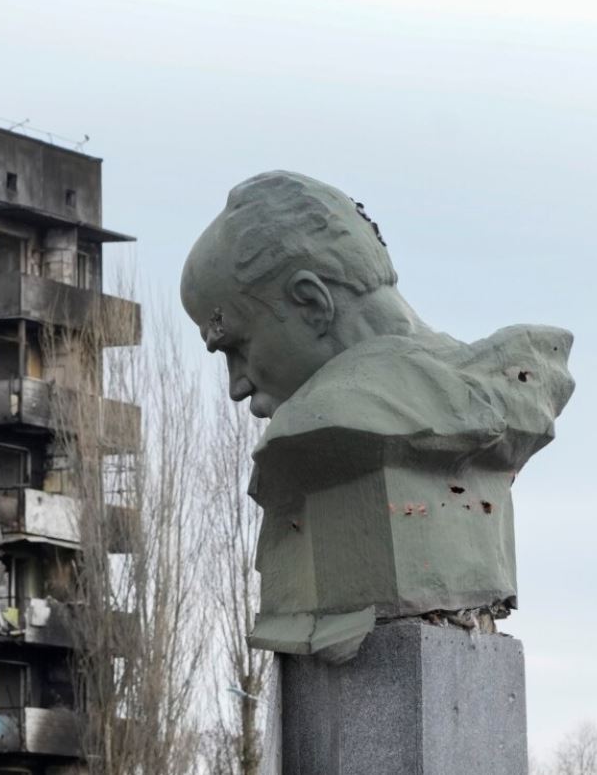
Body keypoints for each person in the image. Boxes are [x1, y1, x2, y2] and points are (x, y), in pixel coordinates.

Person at [180, 170, 574, 661]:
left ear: (312, 303)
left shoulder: (334, 420)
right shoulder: (504, 380)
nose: (237, 386)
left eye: (235, 346)